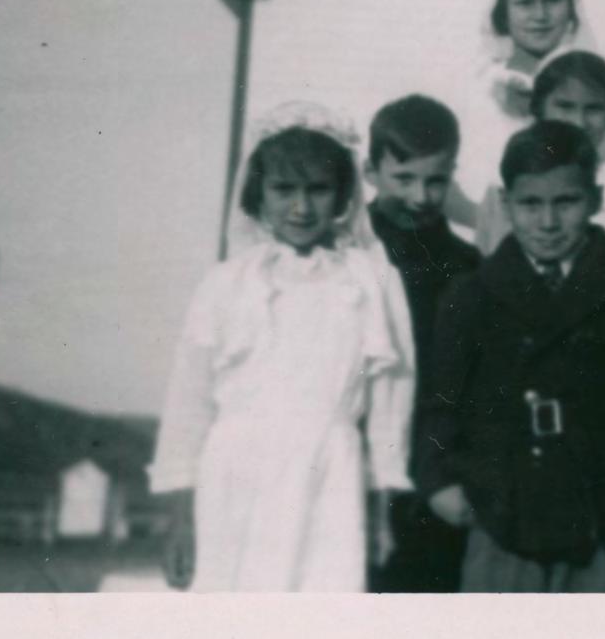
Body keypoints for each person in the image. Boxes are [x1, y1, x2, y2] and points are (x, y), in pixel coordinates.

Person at [415, 122, 605, 592]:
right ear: (505, 204)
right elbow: (439, 400)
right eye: (530, 204)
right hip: (499, 505)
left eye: (566, 203)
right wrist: (438, 480)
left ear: (596, 200)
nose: (547, 222)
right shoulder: (471, 295)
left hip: (598, 507)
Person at [150, 103, 416, 592]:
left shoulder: (372, 281)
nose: (301, 207)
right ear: (259, 192)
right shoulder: (226, 284)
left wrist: (382, 514)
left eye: (317, 190)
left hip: (330, 482)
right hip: (233, 478)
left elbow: (389, 411)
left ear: (343, 193)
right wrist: (181, 521)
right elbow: (187, 409)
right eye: (284, 189)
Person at [362, 95, 482, 593]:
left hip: (432, 478)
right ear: (371, 171)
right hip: (351, 467)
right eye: (404, 178)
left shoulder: (469, 266)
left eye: (436, 180)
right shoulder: (344, 255)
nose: (421, 196)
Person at [466, 50, 605, 266]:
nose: (579, 122)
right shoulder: (504, 183)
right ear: (539, 108)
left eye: (594, 109)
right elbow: (487, 264)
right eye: (565, 106)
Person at [452, 0, 585, 235]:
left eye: (552, 1)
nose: (540, 15)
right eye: (525, 3)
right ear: (503, 13)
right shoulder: (477, 84)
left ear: (570, 8)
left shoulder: (588, 85)